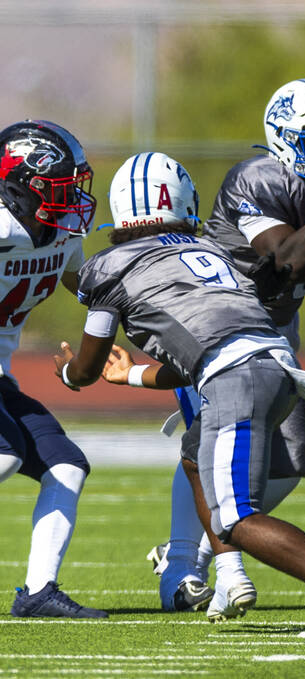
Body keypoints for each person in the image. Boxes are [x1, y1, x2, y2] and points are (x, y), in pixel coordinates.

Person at [58, 151, 305, 637]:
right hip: (274, 364)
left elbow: (84, 369)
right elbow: (198, 358)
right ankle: (229, 576)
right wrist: (134, 377)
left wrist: (67, 373)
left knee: (236, 518)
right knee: (195, 458)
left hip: (236, 377)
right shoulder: (210, 253)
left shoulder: (110, 267)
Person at [147, 78, 305, 616]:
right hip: (212, 328)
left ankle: (190, 548)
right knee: (202, 450)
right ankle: (196, 568)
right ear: (283, 140)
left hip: (275, 331)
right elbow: (288, 260)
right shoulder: (260, 178)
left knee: (290, 460)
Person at [0, 120, 104, 619]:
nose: (73, 201)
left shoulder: (62, 236)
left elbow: (92, 290)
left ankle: (38, 592)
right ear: (20, 186)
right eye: (60, 190)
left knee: (65, 465)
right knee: (4, 456)